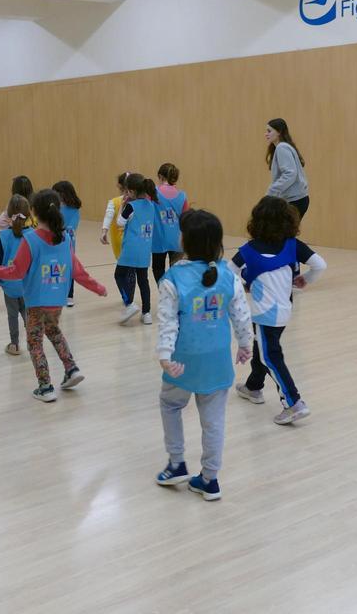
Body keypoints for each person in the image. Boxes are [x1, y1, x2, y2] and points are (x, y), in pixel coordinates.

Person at [155, 210, 254, 501]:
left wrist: (164, 355)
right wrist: (246, 344)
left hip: (182, 360)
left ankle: (176, 464)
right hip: (218, 360)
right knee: (214, 421)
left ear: (185, 240)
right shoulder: (229, 276)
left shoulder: (172, 278)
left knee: (170, 405)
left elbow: (167, 322)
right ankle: (210, 479)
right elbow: (241, 317)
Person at [0, 189, 108, 402]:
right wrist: (98, 287)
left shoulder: (30, 240)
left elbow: (16, 272)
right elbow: (78, 271)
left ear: (34, 213)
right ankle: (71, 368)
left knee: (34, 342)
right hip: (57, 301)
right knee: (54, 331)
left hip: (36, 302)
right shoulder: (65, 238)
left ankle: (45, 386)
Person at [231, 197, 326, 425]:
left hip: (263, 313)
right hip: (285, 310)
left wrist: (244, 284)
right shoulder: (294, 245)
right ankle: (254, 386)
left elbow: (228, 273)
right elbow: (320, 265)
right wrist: (305, 279)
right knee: (261, 345)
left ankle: (294, 403)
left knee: (270, 355)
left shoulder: (247, 251)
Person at [115, 173, 156, 325]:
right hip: (145, 249)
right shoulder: (151, 205)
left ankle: (129, 303)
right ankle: (147, 313)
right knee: (143, 280)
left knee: (119, 275)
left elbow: (120, 222)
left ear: (131, 192)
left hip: (130, 250)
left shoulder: (130, 206)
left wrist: (123, 206)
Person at [0, 194, 31, 355]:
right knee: (28, 312)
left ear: (8, 214)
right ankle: (33, 341)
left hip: (9, 284)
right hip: (28, 284)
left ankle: (14, 344)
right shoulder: (34, 235)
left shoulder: (2, 236)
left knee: (12, 314)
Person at [152, 163, 189, 283]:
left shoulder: (153, 193)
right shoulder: (182, 196)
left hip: (159, 239)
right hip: (177, 239)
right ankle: (176, 294)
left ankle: (164, 291)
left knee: (158, 268)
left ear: (160, 176)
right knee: (177, 270)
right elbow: (186, 218)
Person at [265, 118, 309, 219]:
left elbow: (290, 173)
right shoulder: (283, 147)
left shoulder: (282, 148)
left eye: (269, 131)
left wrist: (272, 191)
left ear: (279, 132)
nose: (266, 134)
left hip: (295, 200)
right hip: (297, 199)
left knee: (280, 232)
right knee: (282, 232)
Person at [52, 180, 82, 306]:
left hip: (67, 244)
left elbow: (70, 227)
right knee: (55, 269)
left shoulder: (74, 210)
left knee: (69, 270)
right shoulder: (55, 208)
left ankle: (69, 295)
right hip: (54, 244)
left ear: (63, 194)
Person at [100, 172, 129, 262]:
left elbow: (108, 217)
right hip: (135, 240)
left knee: (122, 267)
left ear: (119, 186)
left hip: (119, 241)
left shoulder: (114, 202)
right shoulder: (138, 201)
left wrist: (104, 232)